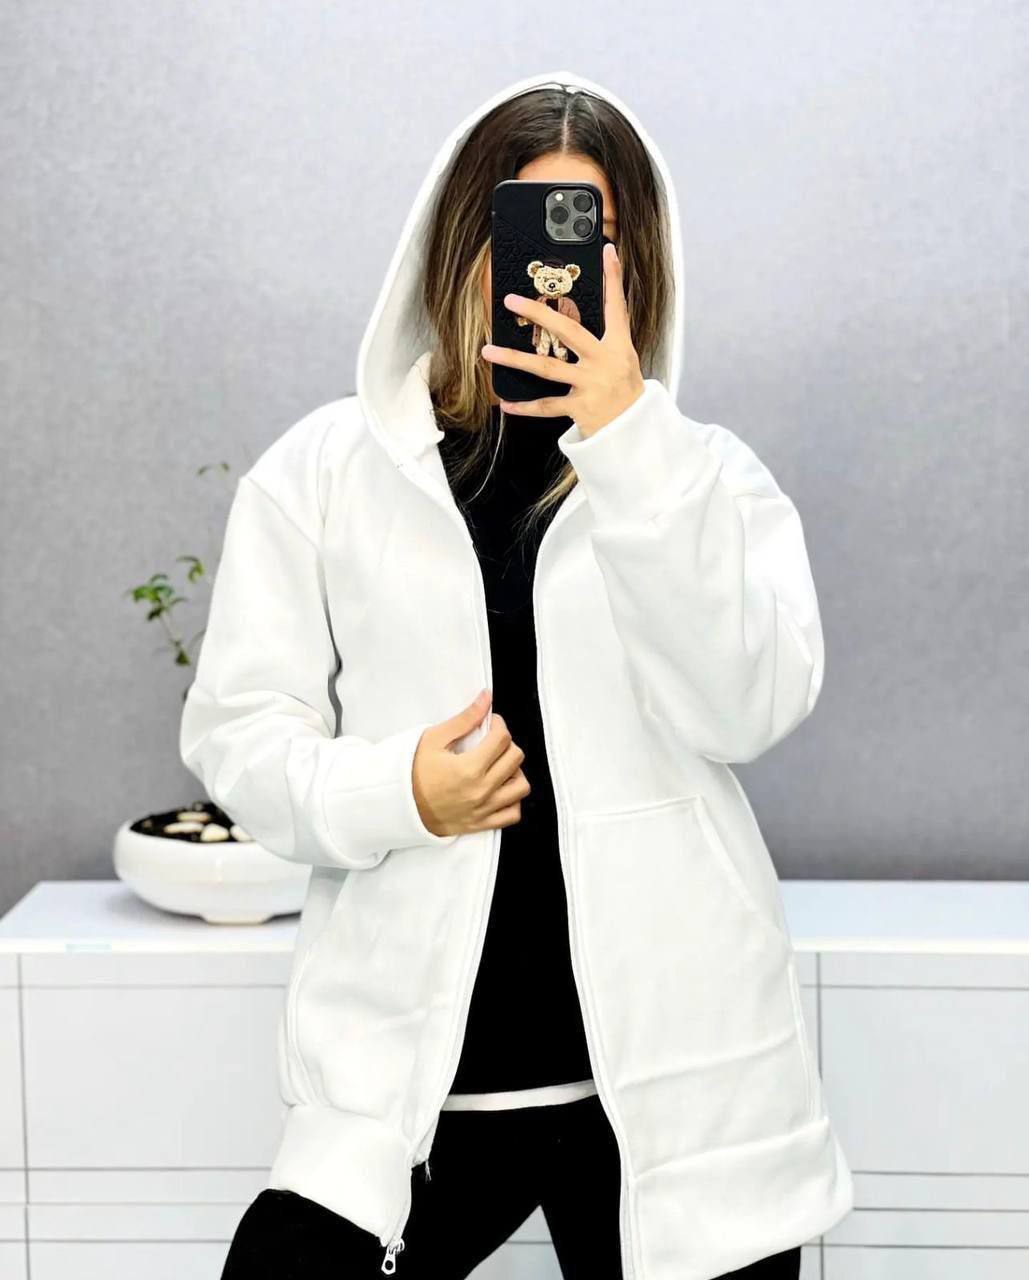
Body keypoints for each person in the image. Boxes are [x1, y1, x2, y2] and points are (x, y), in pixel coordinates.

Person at [180, 69, 854, 1280]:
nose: (551, 271)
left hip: (674, 1096)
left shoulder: (703, 477)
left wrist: (629, 440)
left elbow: (748, 704)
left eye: (590, 236)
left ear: (637, 262)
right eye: (523, 228)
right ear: (460, 242)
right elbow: (238, 733)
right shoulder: (323, 474)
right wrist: (401, 790)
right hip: (411, 1092)